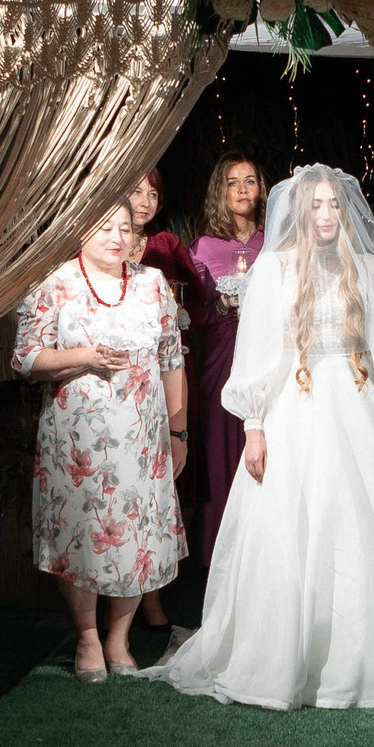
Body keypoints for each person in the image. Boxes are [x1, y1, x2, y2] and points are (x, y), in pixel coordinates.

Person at [145, 167, 374, 710]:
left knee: (360, 528)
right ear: (298, 212)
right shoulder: (275, 268)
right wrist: (254, 425)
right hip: (295, 406)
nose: (326, 215)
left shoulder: (366, 267)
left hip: (356, 411)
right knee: (292, 526)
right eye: (315, 205)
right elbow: (257, 354)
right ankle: (286, 656)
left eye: (334, 205)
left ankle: (364, 659)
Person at [13, 203, 189, 680]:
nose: (116, 237)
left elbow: (172, 361)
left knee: (138, 535)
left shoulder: (153, 284)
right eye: (105, 227)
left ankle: (119, 638)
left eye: (125, 228)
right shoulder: (55, 282)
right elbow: (25, 358)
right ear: (81, 229)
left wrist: (178, 432)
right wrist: (85, 358)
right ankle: (88, 637)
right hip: (77, 442)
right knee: (80, 533)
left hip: (142, 440)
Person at [125, 167, 200, 630]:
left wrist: (182, 310)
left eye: (153, 194)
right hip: (115, 378)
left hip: (163, 368)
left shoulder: (167, 245)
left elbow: (197, 296)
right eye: (136, 192)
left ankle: (152, 599)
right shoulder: (93, 247)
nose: (145, 201)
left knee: (156, 494)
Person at [187, 155, 267, 563]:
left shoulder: (274, 242)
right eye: (232, 182)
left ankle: (263, 554)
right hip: (221, 360)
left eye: (250, 181)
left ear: (261, 189)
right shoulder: (204, 247)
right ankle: (219, 556)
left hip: (267, 360)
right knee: (221, 454)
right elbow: (189, 314)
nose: (242, 190)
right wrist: (219, 306)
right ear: (221, 191)